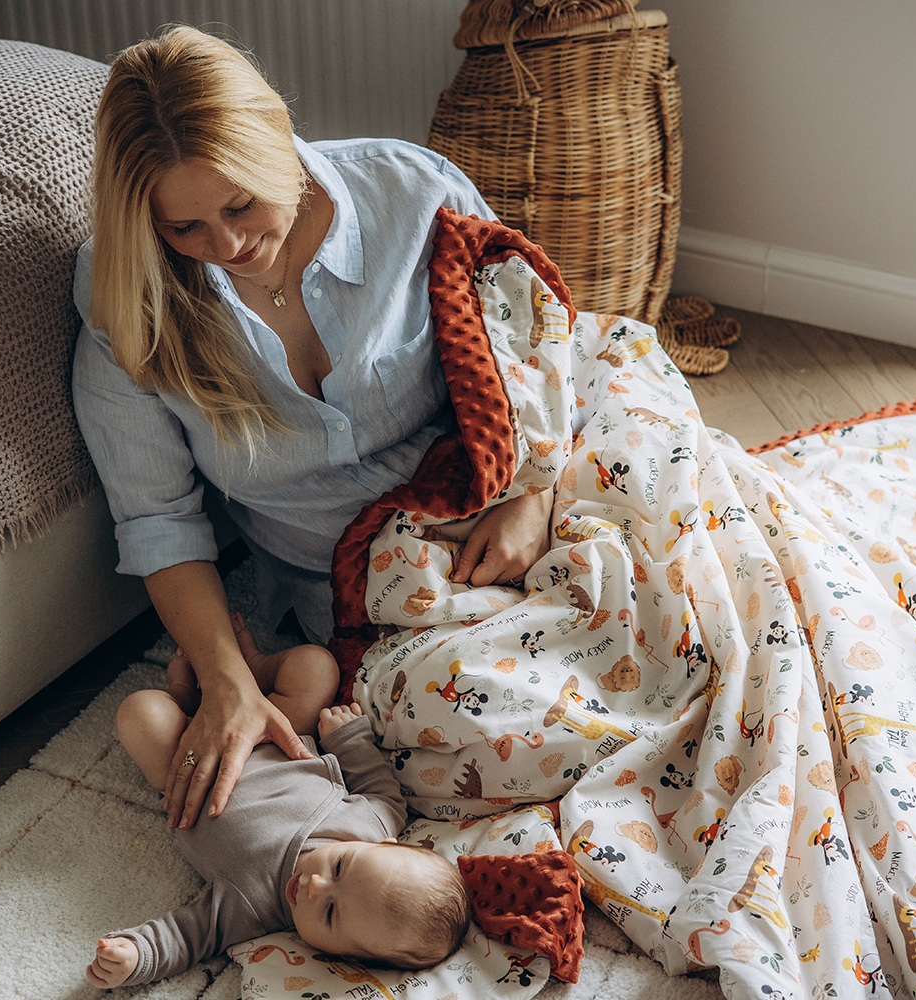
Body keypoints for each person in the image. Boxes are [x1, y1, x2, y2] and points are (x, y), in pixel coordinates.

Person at [72, 25, 555, 833]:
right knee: (490, 731)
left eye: (241, 204)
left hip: (504, 490)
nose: (226, 246)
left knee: (696, 614)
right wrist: (227, 680)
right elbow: (158, 518)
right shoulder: (126, 292)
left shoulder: (411, 192)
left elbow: (532, 349)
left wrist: (534, 495)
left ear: (279, 147)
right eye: (183, 229)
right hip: (360, 591)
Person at [85, 630, 471, 988]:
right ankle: (254, 667)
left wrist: (137, 955)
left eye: (331, 914)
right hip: (277, 730)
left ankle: (184, 696)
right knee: (316, 667)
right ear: (386, 844)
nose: (315, 886)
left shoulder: (253, 907)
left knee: (140, 714)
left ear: (344, 956)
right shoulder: (371, 822)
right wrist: (349, 737)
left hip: (187, 764)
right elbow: (380, 788)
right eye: (339, 866)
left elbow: (189, 934)